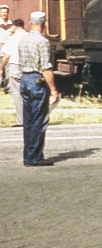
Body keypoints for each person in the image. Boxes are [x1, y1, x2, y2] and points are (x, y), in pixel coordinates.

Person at [19, 11, 58, 166]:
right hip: (36, 81)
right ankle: (34, 157)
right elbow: (46, 68)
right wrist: (53, 90)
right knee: (38, 121)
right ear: (44, 24)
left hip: (25, 79)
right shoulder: (42, 42)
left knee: (28, 121)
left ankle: (28, 154)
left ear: (31, 22)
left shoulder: (23, 40)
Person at [1, 18, 27, 126]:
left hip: (15, 66)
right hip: (28, 67)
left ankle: (21, 120)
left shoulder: (12, 38)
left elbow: (6, 56)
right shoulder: (28, 36)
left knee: (17, 94)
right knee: (28, 94)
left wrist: (1, 68)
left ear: (15, 27)